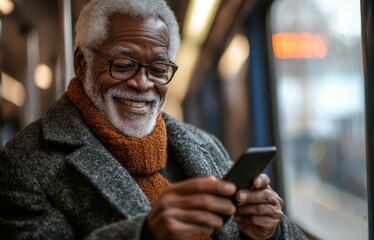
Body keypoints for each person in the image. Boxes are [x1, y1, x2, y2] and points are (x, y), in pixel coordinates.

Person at [0, 0, 306, 239]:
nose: (143, 84)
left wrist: (269, 233)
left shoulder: (204, 145)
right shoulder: (24, 163)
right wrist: (145, 234)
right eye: (123, 64)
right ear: (83, 64)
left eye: (158, 69)